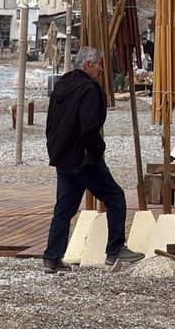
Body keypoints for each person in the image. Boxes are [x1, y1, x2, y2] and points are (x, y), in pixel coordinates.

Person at [43, 47, 144, 272]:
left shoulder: (61, 86)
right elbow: (89, 127)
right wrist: (98, 148)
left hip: (63, 156)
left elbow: (50, 124)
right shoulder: (89, 89)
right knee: (115, 197)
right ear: (87, 65)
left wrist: (55, 149)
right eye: (99, 64)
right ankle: (115, 249)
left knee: (64, 208)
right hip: (83, 158)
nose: (101, 69)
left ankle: (52, 258)